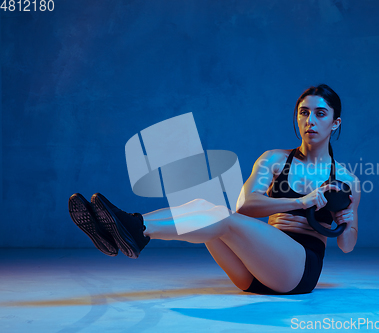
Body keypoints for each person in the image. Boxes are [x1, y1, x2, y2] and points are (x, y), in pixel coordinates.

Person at [68, 84, 360, 295]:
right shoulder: (274, 159)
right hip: (252, 270)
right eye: (304, 112)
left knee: (221, 217)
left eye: (320, 114)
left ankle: (136, 228)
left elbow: (346, 246)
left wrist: (346, 221)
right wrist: (301, 202)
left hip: (297, 271)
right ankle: (129, 230)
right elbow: (245, 206)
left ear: (336, 123)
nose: (310, 121)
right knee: (205, 206)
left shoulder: (346, 179)